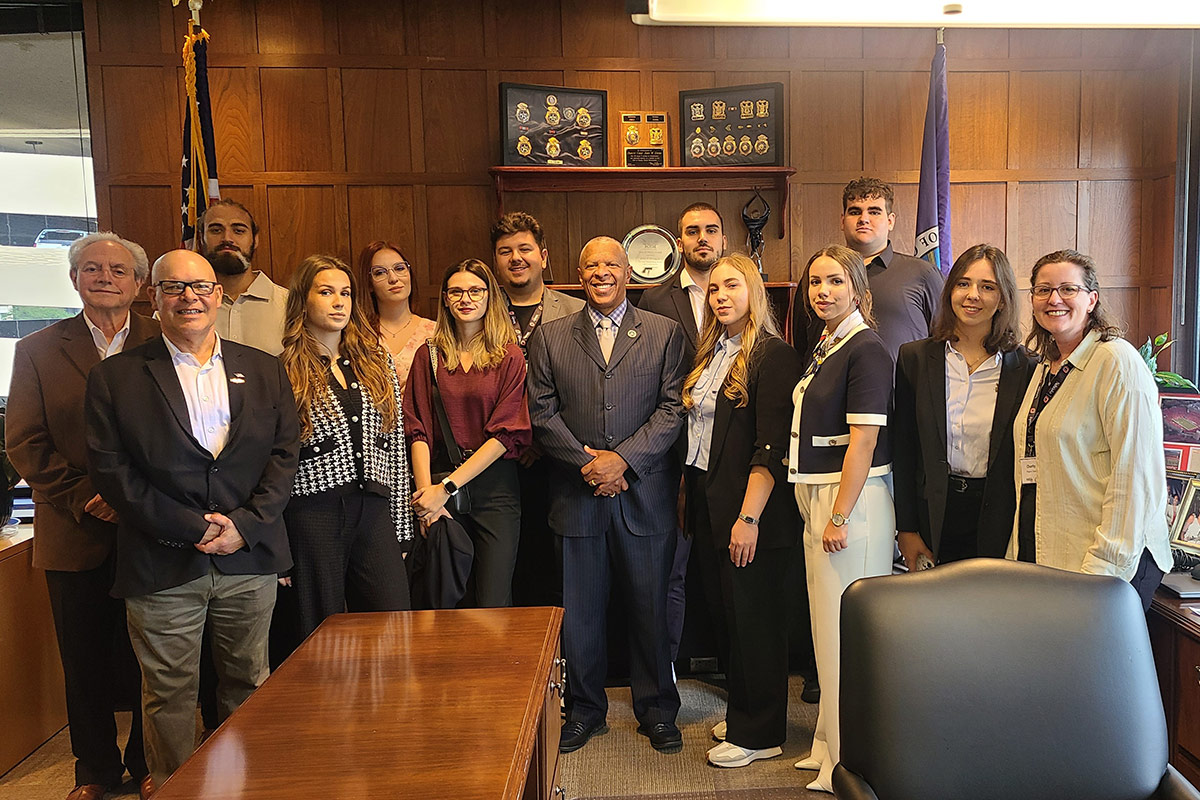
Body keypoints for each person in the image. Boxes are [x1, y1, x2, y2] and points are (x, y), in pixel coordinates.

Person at [84, 249, 298, 795]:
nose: (189, 297)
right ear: (152, 298)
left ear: (218, 295)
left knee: (249, 682)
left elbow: (284, 456)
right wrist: (194, 528)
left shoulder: (266, 368)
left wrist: (245, 525)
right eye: (174, 287)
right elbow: (114, 472)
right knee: (168, 692)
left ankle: (243, 787)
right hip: (160, 561)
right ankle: (175, 787)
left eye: (200, 286)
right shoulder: (114, 377)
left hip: (248, 556)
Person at [6, 232, 158, 800]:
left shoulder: (164, 340)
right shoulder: (38, 349)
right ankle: (94, 770)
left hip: (152, 528)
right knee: (84, 659)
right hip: (74, 529)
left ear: (139, 284)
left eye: (118, 270)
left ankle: (149, 761)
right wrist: (86, 497)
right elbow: (24, 441)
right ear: (74, 279)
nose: (104, 278)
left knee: (153, 655)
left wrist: (137, 498)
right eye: (92, 268)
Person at [527, 236, 687, 755]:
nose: (601, 272)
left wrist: (623, 462)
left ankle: (658, 710)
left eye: (611, 264)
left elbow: (672, 409)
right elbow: (541, 414)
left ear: (628, 273)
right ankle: (584, 711)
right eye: (591, 265)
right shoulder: (550, 337)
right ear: (579, 275)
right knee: (581, 615)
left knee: (650, 611)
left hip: (645, 497)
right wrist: (590, 465)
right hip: (577, 499)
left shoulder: (664, 333)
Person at [680, 254, 803, 768]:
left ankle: (762, 734)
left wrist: (748, 518)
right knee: (730, 618)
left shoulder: (773, 355)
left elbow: (771, 447)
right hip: (711, 499)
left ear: (754, 291)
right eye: (714, 289)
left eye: (732, 286)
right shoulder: (714, 351)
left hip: (752, 509)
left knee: (756, 623)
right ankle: (745, 713)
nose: (721, 296)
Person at [1010, 249, 1172, 610]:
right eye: (1043, 290)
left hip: (1109, 565)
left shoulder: (1117, 361)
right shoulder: (1047, 365)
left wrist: (1103, 570)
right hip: (1056, 554)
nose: (1054, 299)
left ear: (1092, 299)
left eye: (1068, 289)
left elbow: (1135, 477)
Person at [788, 245, 895, 793]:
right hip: (823, 497)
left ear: (857, 287)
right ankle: (828, 745)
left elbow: (864, 441)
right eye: (815, 283)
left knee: (846, 638)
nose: (823, 291)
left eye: (834, 281)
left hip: (851, 502)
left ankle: (850, 762)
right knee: (825, 633)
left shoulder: (867, 348)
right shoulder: (828, 343)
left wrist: (838, 515)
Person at [280, 254, 412, 641]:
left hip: (374, 511)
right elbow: (273, 464)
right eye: (326, 292)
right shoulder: (282, 369)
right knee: (321, 637)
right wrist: (276, 545)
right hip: (311, 515)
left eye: (346, 293)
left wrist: (401, 529)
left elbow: (395, 450)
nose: (339, 302)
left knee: (394, 626)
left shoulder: (376, 362)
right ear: (303, 300)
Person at [893, 244, 1036, 568]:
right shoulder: (915, 358)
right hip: (933, 514)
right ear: (950, 291)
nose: (973, 295)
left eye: (987, 287)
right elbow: (904, 449)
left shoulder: (1026, 367)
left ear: (1003, 299)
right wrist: (907, 528)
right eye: (963, 283)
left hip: (998, 516)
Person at [404, 258, 531, 608]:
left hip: (494, 489)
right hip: (438, 487)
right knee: (444, 601)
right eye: (456, 292)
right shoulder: (429, 356)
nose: (466, 299)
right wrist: (427, 500)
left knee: (493, 602)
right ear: (445, 299)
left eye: (475, 291)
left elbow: (505, 434)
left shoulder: (508, 356)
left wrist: (446, 488)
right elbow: (418, 430)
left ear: (490, 296)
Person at [638, 201, 727, 671]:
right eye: (692, 231)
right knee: (670, 567)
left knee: (727, 567)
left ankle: (735, 671)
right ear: (679, 243)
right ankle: (666, 669)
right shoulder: (654, 301)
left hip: (727, 456)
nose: (702, 238)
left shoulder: (742, 296)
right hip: (670, 457)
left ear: (724, 239)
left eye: (711, 230)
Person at [490, 212, 584, 607]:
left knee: (557, 567)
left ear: (543, 256)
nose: (516, 258)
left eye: (524, 249)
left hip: (559, 457)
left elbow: (583, 387)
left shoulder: (577, 310)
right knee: (506, 570)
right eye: (505, 251)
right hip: (497, 458)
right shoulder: (480, 309)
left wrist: (542, 439)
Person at [791, 177, 943, 362]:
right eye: (855, 212)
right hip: (828, 379)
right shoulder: (816, 276)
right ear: (842, 221)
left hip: (901, 381)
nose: (863, 219)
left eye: (874, 212)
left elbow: (945, 339)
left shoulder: (923, 274)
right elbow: (801, 345)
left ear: (890, 221)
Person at [198, 199, 288, 355]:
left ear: (255, 239)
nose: (227, 238)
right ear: (201, 239)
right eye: (216, 230)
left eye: (238, 231)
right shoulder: (185, 306)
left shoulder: (290, 305)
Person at [357, 239, 436, 390]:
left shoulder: (435, 332)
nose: (393, 278)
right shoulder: (359, 335)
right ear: (369, 283)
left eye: (399, 268)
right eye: (380, 272)